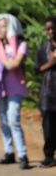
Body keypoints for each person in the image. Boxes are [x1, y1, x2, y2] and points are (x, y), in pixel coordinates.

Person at [0, 13, 29, 169]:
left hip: (16, 88)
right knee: (3, 121)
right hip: (0, 90)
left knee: (13, 121)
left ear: (11, 27)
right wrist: (1, 59)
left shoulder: (21, 45)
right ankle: (9, 152)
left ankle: (23, 154)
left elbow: (15, 64)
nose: (0, 28)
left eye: (3, 25)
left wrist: (0, 59)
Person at [35, 16, 56, 168]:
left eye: (53, 28)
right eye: (48, 29)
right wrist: (51, 63)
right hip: (48, 94)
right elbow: (37, 70)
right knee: (48, 128)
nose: (51, 31)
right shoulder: (43, 48)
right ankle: (49, 156)